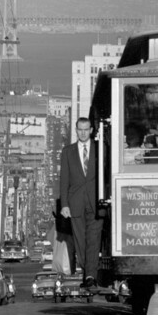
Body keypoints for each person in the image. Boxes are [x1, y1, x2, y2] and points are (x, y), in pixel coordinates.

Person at [59, 117, 102, 291]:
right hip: (75, 203)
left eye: (86, 129)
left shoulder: (100, 149)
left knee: (94, 240)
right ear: (76, 130)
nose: (83, 133)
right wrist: (64, 204)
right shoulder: (67, 152)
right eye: (80, 129)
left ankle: (91, 275)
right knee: (80, 241)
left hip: (96, 202)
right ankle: (87, 271)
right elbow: (64, 180)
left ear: (91, 130)